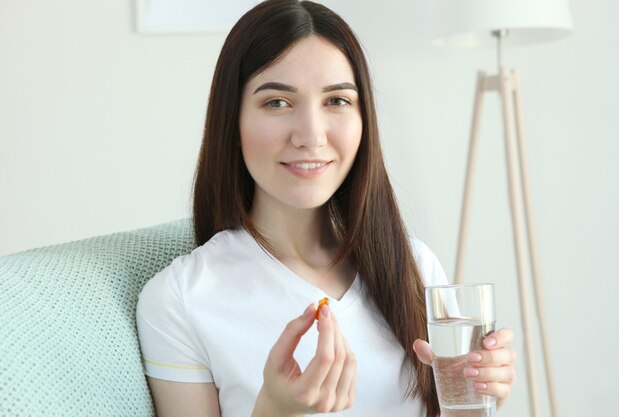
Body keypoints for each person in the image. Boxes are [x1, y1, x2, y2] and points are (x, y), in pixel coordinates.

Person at [135, 1, 517, 416]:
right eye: (277, 102)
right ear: (232, 123)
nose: (311, 135)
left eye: (336, 101)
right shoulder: (179, 300)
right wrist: (275, 410)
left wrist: (479, 401)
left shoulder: (416, 266)